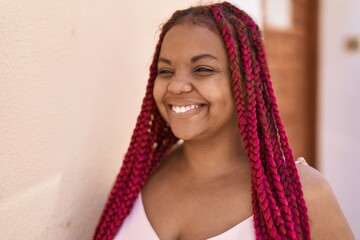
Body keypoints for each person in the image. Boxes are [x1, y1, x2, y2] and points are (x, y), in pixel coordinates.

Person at [93, 2, 354, 239]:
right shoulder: (140, 177)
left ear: (245, 83)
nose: (177, 85)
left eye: (203, 69)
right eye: (166, 70)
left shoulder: (302, 194)